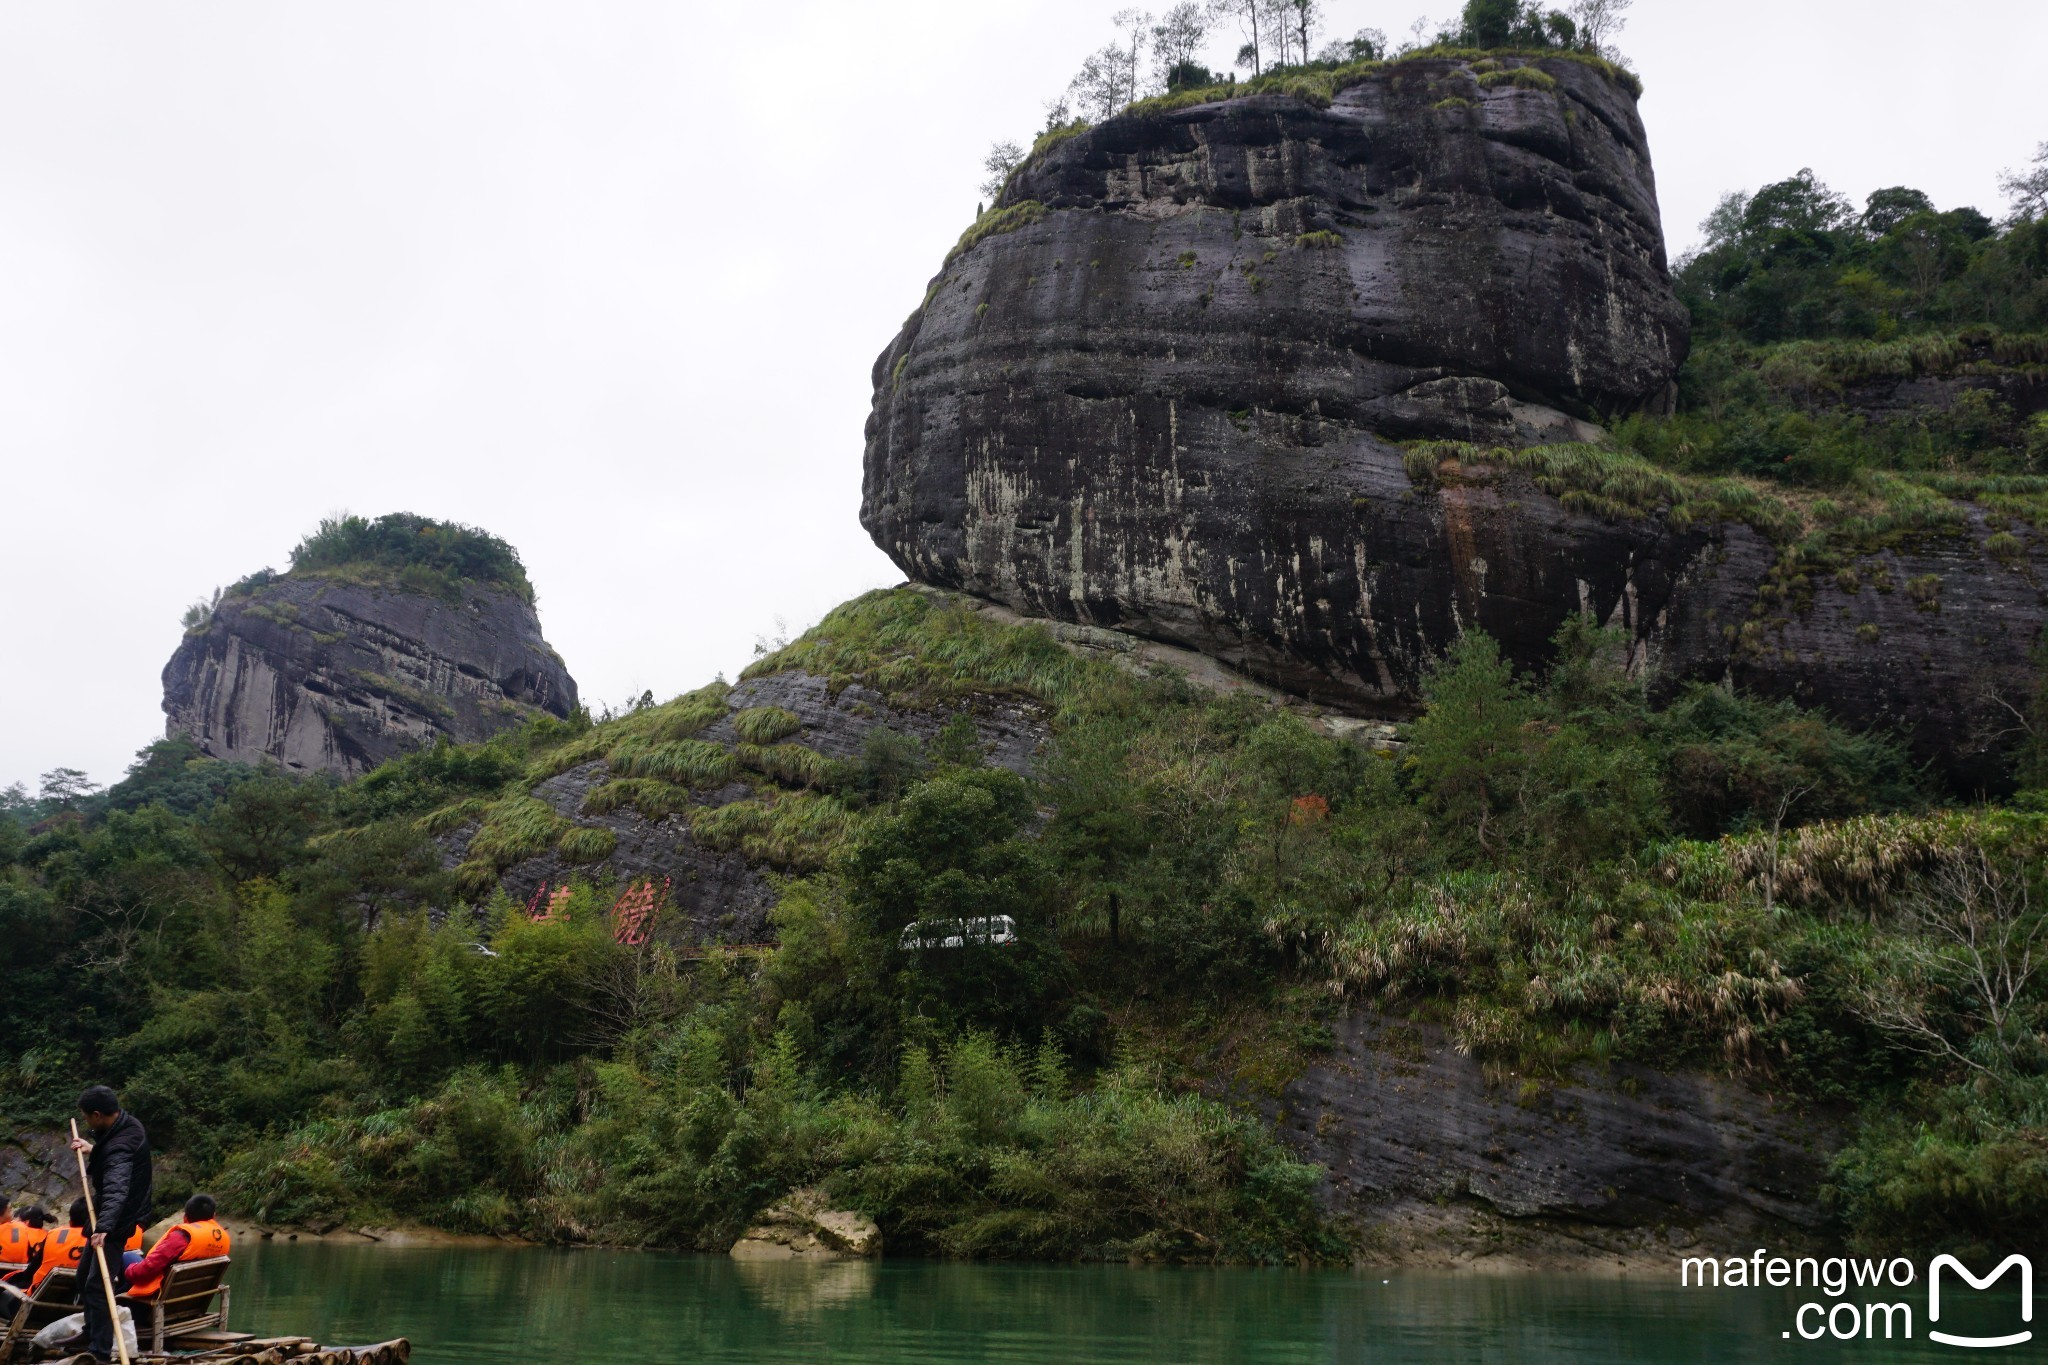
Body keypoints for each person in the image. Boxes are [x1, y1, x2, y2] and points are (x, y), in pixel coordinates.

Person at [69, 1085, 153, 1364]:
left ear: (97, 1115)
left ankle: (100, 1351)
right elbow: (113, 1156)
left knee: (97, 1284)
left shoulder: (120, 1145)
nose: (86, 1123)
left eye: (87, 1118)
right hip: (111, 1213)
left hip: (117, 1218)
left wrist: (104, 1227)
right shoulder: (126, 1125)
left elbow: (117, 1187)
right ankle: (91, 1331)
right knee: (83, 1278)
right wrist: (91, 1148)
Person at [123, 1194, 230, 1300]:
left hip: (161, 1297)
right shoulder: (223, 1239)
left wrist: (129, 1270)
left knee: (126, 1257)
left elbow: (147, 1269)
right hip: (194, 1300)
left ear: (185, 1218)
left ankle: (119, 1303)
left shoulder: (182, 1237)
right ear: (214, 1215)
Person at [29, 1199, 90, 1294]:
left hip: (42, 1291)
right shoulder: (102, 1240)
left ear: (70, 1221)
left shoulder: (52, 1234)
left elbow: (34, 1266)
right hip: (85, 1294)